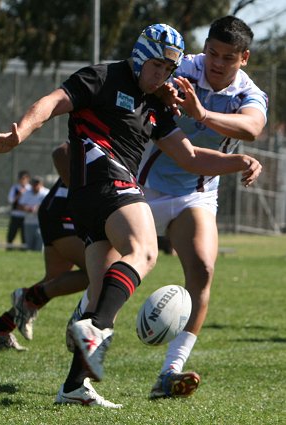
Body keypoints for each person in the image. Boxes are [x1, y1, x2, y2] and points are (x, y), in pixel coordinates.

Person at [0, 23, 262, 408]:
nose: (163, 77)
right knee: (145, 251)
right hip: (103, 178)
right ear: (139, 56)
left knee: (100, 291)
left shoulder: (156, 104)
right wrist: (19, 134)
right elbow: (51, 102)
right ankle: (95, 330)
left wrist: (239, 161)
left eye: (169, 71)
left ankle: (74, 386)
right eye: (157, 67)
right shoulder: (103, 76)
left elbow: (192, 157)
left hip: (96, 197)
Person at [136, 15, 268, 399]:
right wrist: (162, 93)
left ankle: (169, 372)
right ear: (205, 47)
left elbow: (253, 128)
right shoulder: (182, 67)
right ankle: (86, 332)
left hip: (195, 194)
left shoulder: (249, 93)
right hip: (140, 187)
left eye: (228, 57)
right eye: (212, 52)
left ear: (244, 58)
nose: (217, 62)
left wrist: (202, 114)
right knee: (110, 270)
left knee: (203, 270)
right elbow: (146, 83)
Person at [0, 173, 88, 350]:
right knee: (102, 273)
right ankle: (27, 298)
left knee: (53, 279)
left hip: (60, 210)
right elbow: (62, 152)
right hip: (65, 212)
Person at [18, 176, 49, 251]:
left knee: (39, 245)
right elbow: (20, 205)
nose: (35, 186)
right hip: (28, 222)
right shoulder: (27, 193)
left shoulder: (46, 192)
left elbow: (49, 205)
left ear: (41, 184)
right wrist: (27, 209)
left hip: (41, 222)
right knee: (29, 245)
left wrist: (38, 209)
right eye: (34, 184)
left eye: (37, 184)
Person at [6, 170, 31, 249]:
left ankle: (24, 248)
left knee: (24, 234)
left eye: (24, 178)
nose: (22, 180)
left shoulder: (30, 189)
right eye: (21, 178)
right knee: (12, 233)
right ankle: (9, 247)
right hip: (16, 214)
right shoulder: (15, 188)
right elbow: (10, 200)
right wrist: (19, 194)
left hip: (26, 216)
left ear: (28, 179)